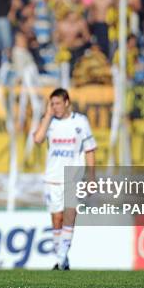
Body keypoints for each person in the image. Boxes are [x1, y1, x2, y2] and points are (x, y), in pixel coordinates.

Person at [33, 88, 96, 270]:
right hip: (52, 178)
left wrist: (92, 177)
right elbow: (37, 139)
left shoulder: (80, 122)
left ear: (67, 102)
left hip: (72, 177)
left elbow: (90, 149)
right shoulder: (49, 122)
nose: (55, 107)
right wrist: (47, 115)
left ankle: (60, 259)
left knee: (69, 217)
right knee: (57, 219)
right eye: (52, 104)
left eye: (58, 103)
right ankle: (63, 259)